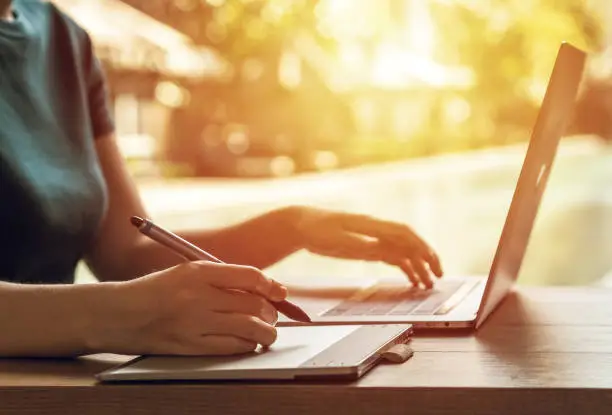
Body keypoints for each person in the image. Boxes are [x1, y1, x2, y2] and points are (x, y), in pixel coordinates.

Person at [0, 0, 442, 358]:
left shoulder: (66, 41)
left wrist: (290, 227)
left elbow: (126, 254)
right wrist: (115, 316)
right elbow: (124, 294)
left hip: (63, 383)